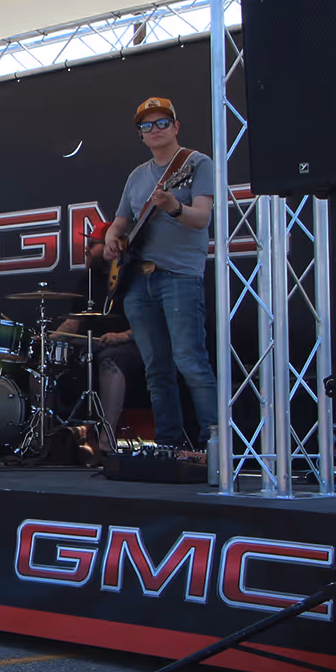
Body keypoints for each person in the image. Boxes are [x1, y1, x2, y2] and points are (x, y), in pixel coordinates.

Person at [102, 97, 218, 447]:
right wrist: (111, 238)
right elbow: (120, 221)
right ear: (140, 134)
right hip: (138, 280)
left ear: (176, 126)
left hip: (179, 276)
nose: (155, 129)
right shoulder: (137, 176)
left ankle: (215, 445)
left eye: (162, 122)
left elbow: (202, 218)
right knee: (156, 369)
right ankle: (168, 445)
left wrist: (174, 206)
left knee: (190, 362)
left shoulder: (196, 163)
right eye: (146, 125)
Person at [52, 235, 145, 452]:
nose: (88, 248)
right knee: (44, 359)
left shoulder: (134, 277)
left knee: (110, 361)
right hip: (90, 343)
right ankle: (48, 436)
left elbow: (149, 323)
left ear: (113, 246)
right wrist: (49, 338)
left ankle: (106, 440)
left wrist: (122, 336)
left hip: (128, 344)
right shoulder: (86, 281)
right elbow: (73, 322)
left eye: (94, 244)